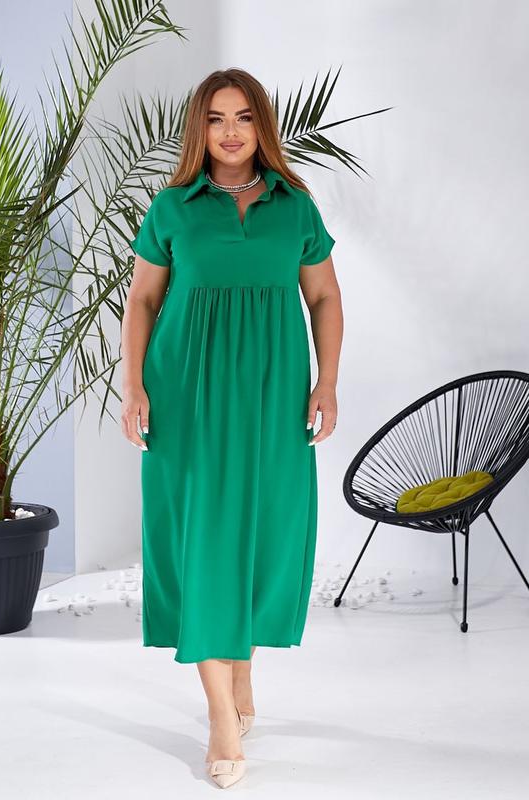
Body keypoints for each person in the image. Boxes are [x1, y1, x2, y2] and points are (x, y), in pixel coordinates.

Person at [120, 67, 343, 789]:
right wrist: (134, 387)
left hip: (274, 396)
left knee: (266, 531)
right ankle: (221, 716)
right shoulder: (172, 207)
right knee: (202, 538)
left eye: (244, 117)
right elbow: (142, 301)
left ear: (262, 126)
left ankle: (242, 666)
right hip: (185, 394)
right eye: (216, 119)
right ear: (200, 129)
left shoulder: (294, 206)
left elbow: (324, 297)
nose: (230, 132)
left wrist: (326, 382)